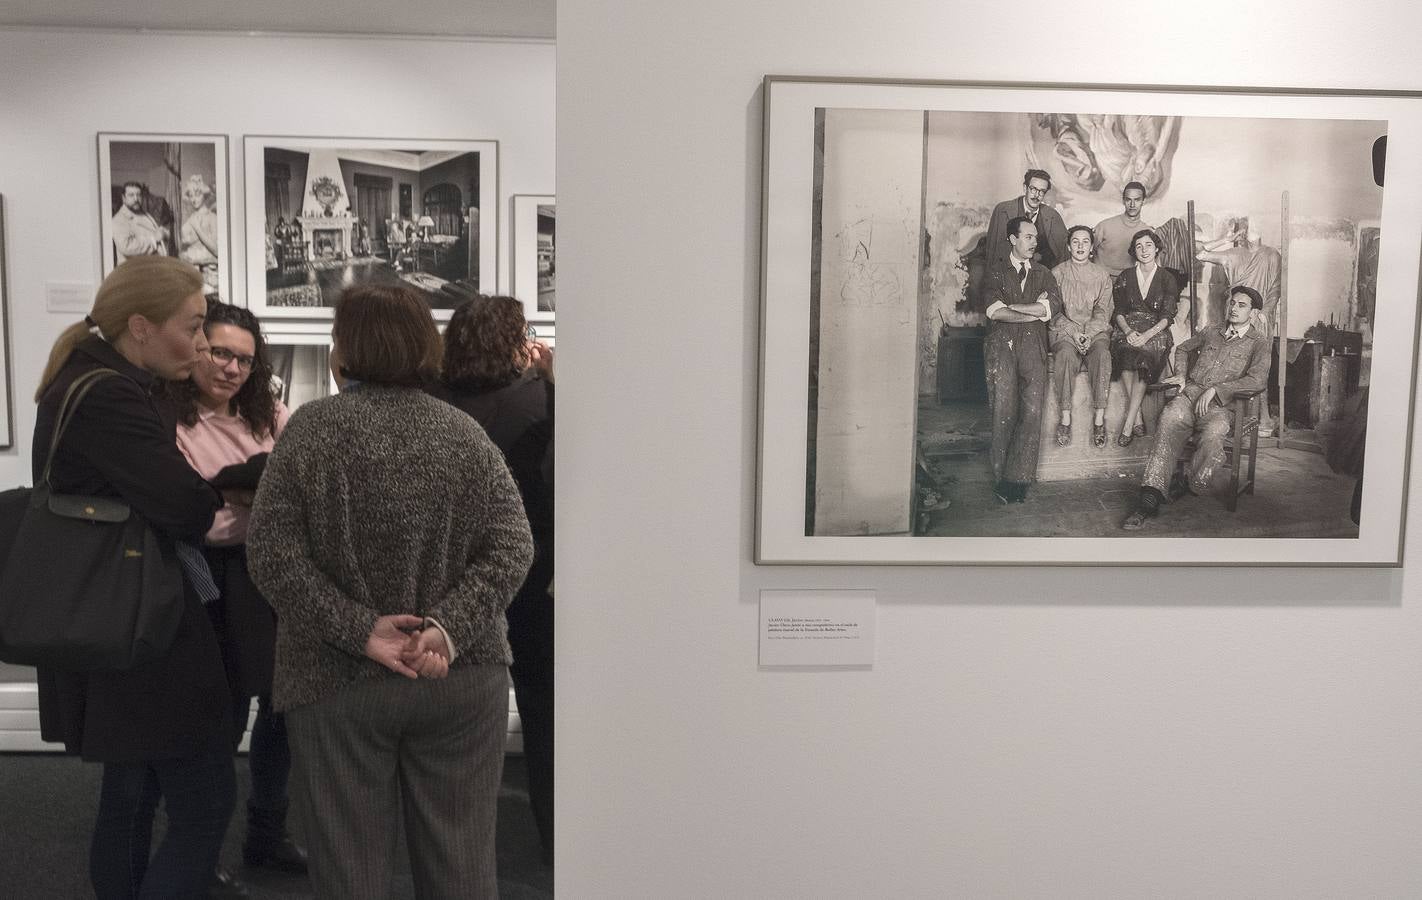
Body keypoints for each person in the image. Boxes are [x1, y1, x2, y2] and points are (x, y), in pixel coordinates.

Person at [246, 285, 534, 899]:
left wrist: (361, 631)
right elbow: (514, 548)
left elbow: (271, 555)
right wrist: (446, 628)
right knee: (461, 866)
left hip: (335, 680)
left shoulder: (311, 431)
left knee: (349, 869)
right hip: (459, 677)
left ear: (344, 351)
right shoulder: (464, 434)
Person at [30, 256, 243, 899]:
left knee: (131, 795)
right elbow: (186, 507)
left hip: (111, 623)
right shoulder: (112, 396)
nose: (205, 345)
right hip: (141, 632)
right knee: (204, 801)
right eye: (196, 326)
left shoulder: (86, 380)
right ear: (142, 326)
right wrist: (210, 497)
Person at [170, 303, 308, 880]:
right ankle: (200, 854)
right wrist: (236, 492)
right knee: (217, 720)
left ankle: (266, 835)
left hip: (269, 571)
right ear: (197, 347)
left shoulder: (268, 412)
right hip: (207, 576)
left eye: (245, 360)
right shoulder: (168, 417)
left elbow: (299, 484)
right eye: (221, 353)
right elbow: (182, 504)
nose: (231, 369)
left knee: (281, 712)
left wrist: (236, 492)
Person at [432, 296, 555, 865]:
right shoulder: (538, 398)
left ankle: (448, 846)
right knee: (542, 706)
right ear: (515, 341)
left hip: (449, 574)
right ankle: (556, 840)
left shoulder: (431, 403)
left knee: (449, 716)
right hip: (530, 569)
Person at [1121, 286, 1271, 529]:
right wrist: (1181, 375)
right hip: (1190, 397)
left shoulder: (1259, 343)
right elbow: (1182, 348)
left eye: (1241, 305)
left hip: (1223, 408)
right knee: (1169, 418)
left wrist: (1218, 390)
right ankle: (1150, 496)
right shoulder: (1212, 331)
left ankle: (1189, 481)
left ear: (1253, 313)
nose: (1233, 308)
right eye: (1232, 303)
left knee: (1213, 436)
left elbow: (1258, 380)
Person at [983, 217, 1061, 503]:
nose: (1034, 242)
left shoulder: (1043, 273)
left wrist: (1015, 308)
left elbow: (1051, 306)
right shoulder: (995, 272)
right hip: (1001, 348)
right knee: (1003, 410)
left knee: (1032, 412)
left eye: (1035, 237)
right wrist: (1033, 312)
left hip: (1034, 347)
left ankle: (1017, 480)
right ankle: (1000, 475)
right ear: (1012, 240)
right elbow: (994, 312)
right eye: (1028, 237)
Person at [1197, 217, 1283, 434]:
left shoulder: (1271, 255)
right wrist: (1225, 238)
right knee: (1233, 365)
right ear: (1242, 232)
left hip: (1260, 317)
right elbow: (1200, 253)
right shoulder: (1234, 254)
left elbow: (1275, 288)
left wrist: (1263, 312)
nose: (1251, 230)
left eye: (1255, 226)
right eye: (1247, 227)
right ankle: (1235, 418)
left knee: (1258, 367)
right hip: (1236, 312)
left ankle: (1261, 419)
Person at [1111, 228, 1181, 447]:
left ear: (1157, 248)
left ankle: (1129, 423)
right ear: (1134, 251)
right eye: (1139, 246)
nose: (1144, 250)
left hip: (1156, 330)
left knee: (1143, 357)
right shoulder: (1125, 276)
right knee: (1123, 351)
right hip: (1128, 327)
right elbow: (1118, 311)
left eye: (1148, 245)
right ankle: (1138, 416)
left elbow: (1167, 316)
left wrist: (1147, 335)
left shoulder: (1167, 277)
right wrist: (1129, 332)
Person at [1049, 225, 1114, 448]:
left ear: (1091, 248)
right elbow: (1054, 312)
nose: (1080, 246)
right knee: (1065, 355)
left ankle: (1099, 418)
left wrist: (1089, 333)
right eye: (1075, 242)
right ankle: (1065, 418)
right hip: (1065, 331)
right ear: (1068, 246)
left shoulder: (1102, 275)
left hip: (1095, 332)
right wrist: (1074, 332)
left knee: (1103, 355)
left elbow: (1103, 311)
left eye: (1085, 242)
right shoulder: (1056, 274)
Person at [985, 168, 1068, 270]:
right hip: (1009, 273)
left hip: (1040, 275)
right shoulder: (1003, 211)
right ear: (1025, 188)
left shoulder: (1053, 216)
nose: (1036, 195)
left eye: (1041, 191)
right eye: (1033, 189)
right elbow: (993, 251)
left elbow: (1062, 254)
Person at [1094, 180, 1152, 277]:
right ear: (1123, 201)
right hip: (1101, 279)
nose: (1132, 204)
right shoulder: (1104, 226)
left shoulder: (1147, 232)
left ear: (1143, 201)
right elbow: (1090, 251)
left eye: (1137, 200)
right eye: (1128, 199)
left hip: (1130, 281)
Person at [178, 175, 221, 298]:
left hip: (209, 275)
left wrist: (197, 228)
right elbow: (184, 246)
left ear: (205, 195)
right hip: (191, 274)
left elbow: (217, 250)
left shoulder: (213, 218)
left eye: (197, 194)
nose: (193, 199)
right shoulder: (190, 219)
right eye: (191, 195)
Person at [111, 181, 169, 263]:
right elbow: (126, 247)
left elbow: (155, 233)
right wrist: (153, 240)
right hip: (134, 270)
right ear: (123, 198)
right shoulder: (118, 220)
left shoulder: (144, 214)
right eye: (131, 195)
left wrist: (164, 233)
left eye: (138, 195)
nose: (136, 199)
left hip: (153, 267)